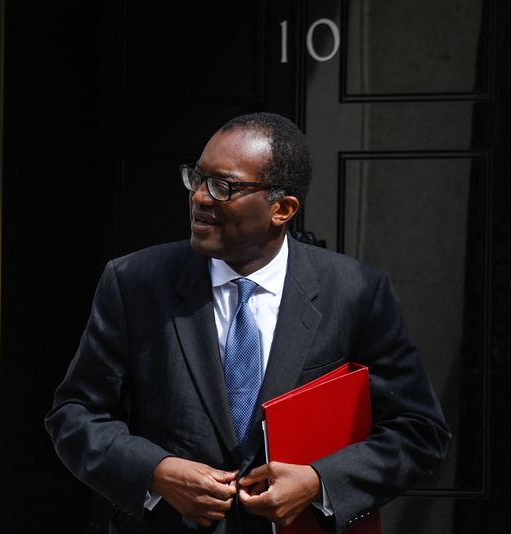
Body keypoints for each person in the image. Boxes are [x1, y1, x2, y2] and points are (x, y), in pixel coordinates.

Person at [45, 112, 450, 534]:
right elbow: (75, 415)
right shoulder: (134, 283)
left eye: (223, 187)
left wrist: (318, 482)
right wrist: (156, 472)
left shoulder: (356, 292)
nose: (200, 197)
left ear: (282, 209)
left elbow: (419, 431)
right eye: (197, 178)